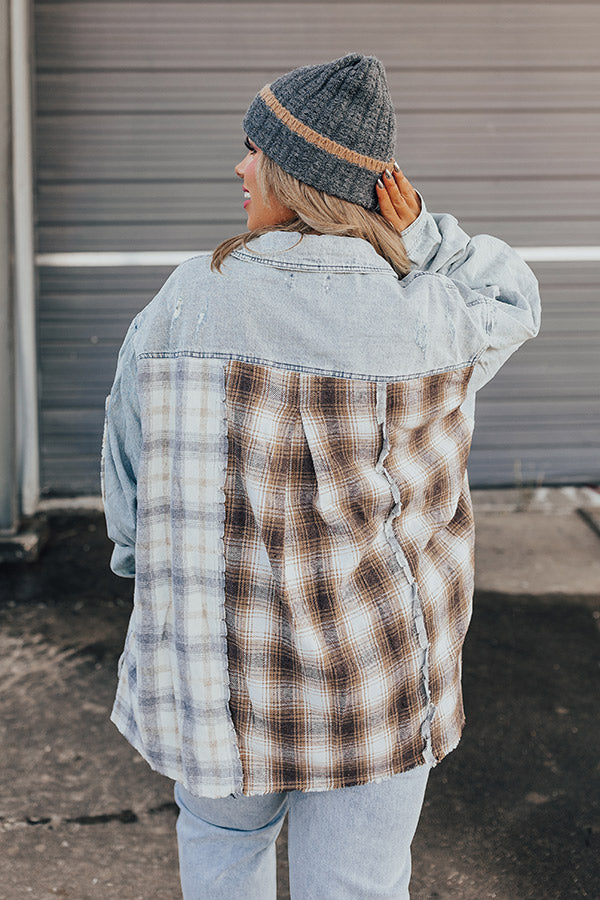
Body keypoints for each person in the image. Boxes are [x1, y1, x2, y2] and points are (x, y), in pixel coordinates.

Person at [101, 53, 541, 899]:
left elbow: (129, 461)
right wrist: (420, 234)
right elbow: (515, 297)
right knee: (355, 886)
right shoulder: (427, 316)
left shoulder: (187, 300)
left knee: (223, 850)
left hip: (213, 668)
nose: (239, 168)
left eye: (254, 152)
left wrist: (140, 565)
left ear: (295, 175)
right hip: (374, 675)